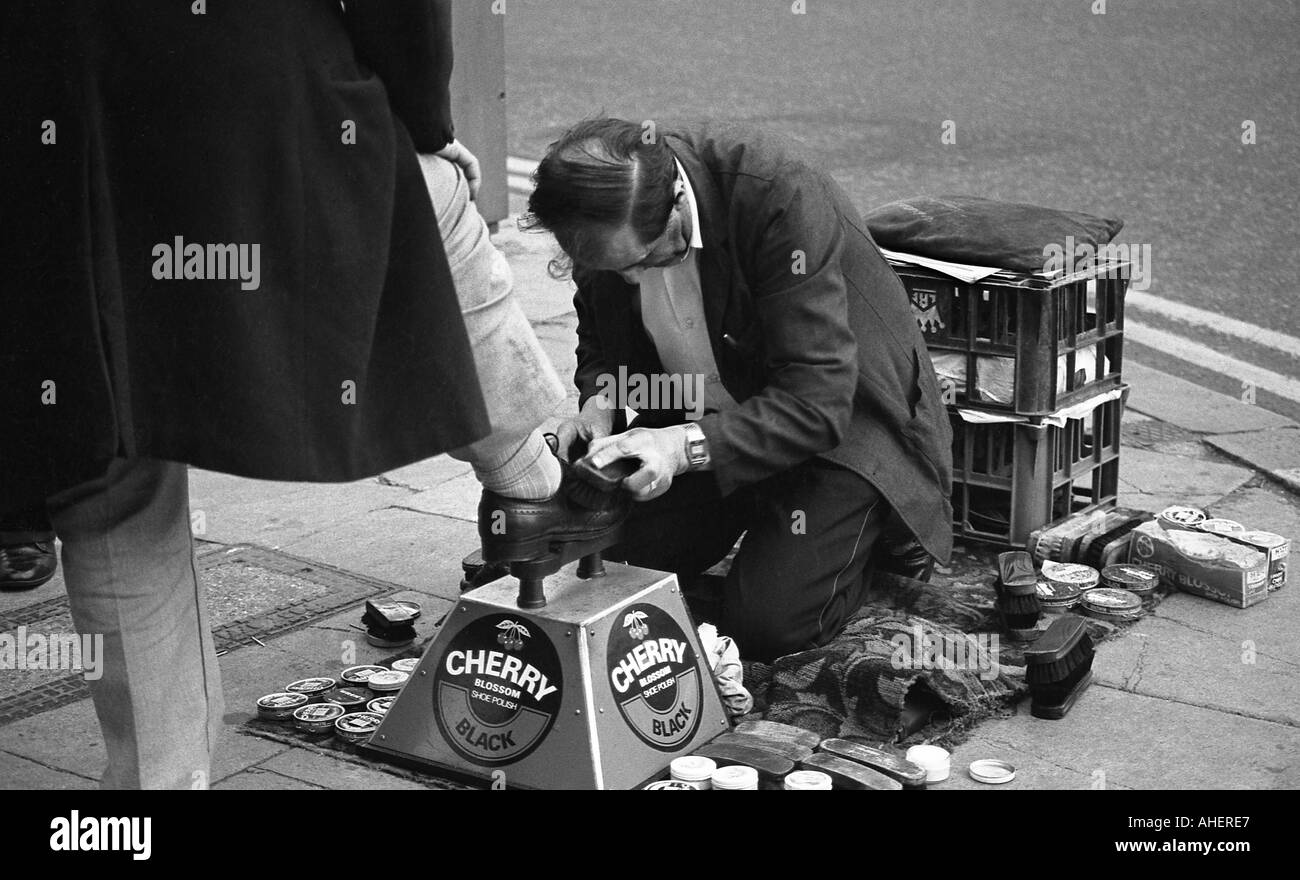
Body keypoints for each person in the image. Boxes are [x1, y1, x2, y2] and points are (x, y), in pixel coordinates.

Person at [0, 0, 603, 788]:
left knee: (113, 479)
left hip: (38, 123)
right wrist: (425, 120)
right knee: (433, 191)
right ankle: (530, 480)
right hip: (238, 93)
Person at [523, 118, 954, 663]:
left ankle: (883, 532)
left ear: (678, 199)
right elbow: (601, 333)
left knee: (767, 627)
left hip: (838, 424)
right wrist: (600, 403)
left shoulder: (777, 192)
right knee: (594, 562)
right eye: (611, 268)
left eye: (645, 259)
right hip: (704, 413)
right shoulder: (599, 213)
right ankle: (762, 519)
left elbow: (818, 404)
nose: (631, 281)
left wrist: (680, 448)